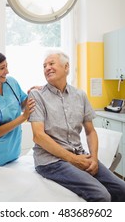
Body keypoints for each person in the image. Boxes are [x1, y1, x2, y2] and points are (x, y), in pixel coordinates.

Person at [28, 50, 125, 202]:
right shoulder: (37, 95)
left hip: (79, 154)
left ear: (66, 67)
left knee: (121, 189)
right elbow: (38, 136)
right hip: (51, 161)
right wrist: (73, 159)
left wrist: (93, 158)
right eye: (44, 66)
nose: (47, 68)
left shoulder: (80, 95)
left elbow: (90, 131)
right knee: (102, 195)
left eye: (51, 63)